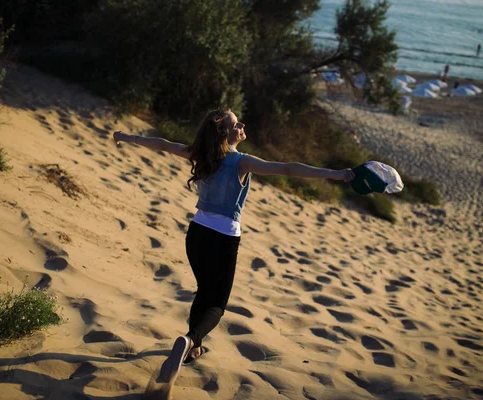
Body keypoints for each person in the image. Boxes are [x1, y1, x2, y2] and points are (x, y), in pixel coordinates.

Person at [113, 109, 354, 392]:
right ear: (225, 134)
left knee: (204, 290)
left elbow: (163, 144)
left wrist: (125, 136)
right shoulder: (242, 163)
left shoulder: (200, 155)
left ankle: (194, 348)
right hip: (223, 240)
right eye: (235, 123)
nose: (241, 125)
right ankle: (190, 339)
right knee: (217, 304)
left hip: (196, 234)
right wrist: (336, 174)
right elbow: (288, 168)